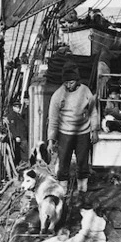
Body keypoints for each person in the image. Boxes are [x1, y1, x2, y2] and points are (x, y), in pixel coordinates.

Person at [47, 61, 99, 204]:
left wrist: (94, 130)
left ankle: (82, 191)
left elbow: (93, 112)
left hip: (83, 133)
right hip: (65, 134)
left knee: (83, 162)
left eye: (71, 82)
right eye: (66, 83)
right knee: (63, 162)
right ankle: (62, 191)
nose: (68, 85)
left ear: (77, 81)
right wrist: (51, 140)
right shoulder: (58, 95)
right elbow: (53, 119)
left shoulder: (86, 91)